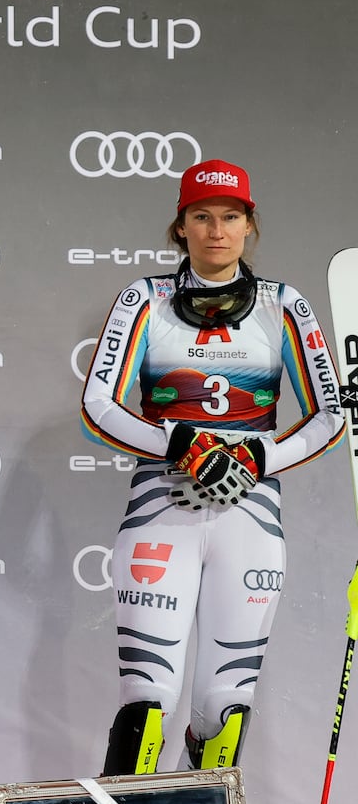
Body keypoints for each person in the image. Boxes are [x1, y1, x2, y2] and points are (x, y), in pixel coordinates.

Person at [81, 159, 342, 773]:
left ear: (250, 226)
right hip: (161, 510)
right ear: (180, 229)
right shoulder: (145, 298)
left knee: (224, 711)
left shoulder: (284, 304)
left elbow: (331, 415)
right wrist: (182, 446)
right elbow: (98, 405)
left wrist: (259, 454)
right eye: (201, 217)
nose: (216, 231)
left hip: (249, 516)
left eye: (230, 217)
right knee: (146, 704)